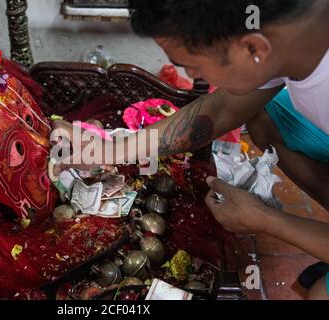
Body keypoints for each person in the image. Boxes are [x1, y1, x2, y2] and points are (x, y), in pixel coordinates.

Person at [52, 0, 329, 299]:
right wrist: (111, 149)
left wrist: (265, 220)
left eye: (192, 66)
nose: (194, 75)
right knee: (267, 111)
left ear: (252, 49)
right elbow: (222, 109)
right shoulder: (284, 33)